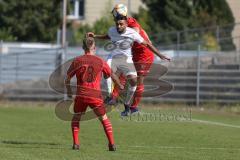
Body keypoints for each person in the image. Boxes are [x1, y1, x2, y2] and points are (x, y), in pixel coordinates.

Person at [87, 14, 170, 116]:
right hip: (118, 58)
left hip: (135, 58)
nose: (119, 26)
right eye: (117, 24)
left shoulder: (133, 32)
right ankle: (111, 97)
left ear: (126, 24)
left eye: (121, 24)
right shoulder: (113, 30)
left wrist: (160, 55)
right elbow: (108, 36)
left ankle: (129, 105)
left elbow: (147, 44)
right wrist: (95, 36)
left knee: (135, 82)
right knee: (110, 72)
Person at [108, 4, 171, 116]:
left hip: (144, 55)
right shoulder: (123, 22)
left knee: (138, 81)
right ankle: (113, 97)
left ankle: (133, 107)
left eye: (115, 13)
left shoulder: (130, 23)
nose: (114, 16)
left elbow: (136, 31)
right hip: (134, 53)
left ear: (121, 14)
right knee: (121, 74)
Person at [65, 36, 123, 151]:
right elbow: (112, 75)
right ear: (94, 47)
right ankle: (112, 144)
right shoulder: (100, 61)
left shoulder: (77, 60)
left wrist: (69, 91)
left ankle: (76, 144)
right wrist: (120, 85)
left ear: (83, 47)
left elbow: (67, 78)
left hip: (81, 95)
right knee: (104, 119)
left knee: (76, 118)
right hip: (95, 96)